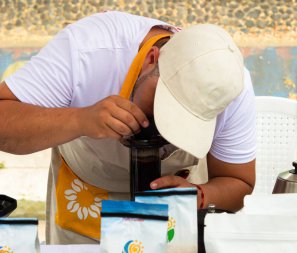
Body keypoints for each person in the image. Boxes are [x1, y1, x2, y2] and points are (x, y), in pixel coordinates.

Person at [0, 11, 256, 244]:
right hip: (86, 204)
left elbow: (238, 181)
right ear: (151, 59)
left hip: (174, 217)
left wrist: (200, 195)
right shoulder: (88, 50)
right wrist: (80, 120)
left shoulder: (229, 88)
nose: (163, 127)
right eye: (163, 103)